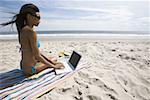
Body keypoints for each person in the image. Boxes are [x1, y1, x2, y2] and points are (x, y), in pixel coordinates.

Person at [0, 3, 64, 77]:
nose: (40, 20)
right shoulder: (30, 32)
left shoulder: (23, 30)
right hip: (31, 69)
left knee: (52, 59)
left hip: (24, 66)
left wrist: (51, 62)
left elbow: (37, 52)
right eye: (38, 17)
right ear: (29, 16)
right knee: (54, 60)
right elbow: (37, 56)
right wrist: (54, 66)